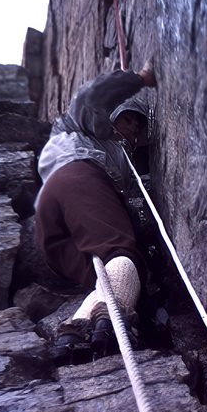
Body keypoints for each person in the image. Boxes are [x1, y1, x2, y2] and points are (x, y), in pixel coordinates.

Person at [34, 60, 157, 350]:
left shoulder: (118, 158)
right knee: (123, 254)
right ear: (111, 117)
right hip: (78, 177)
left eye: (138, 126)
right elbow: (92, 95)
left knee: (105, 271)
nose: (133, 128)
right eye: (129, 119)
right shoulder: (85, 125)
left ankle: (73, 335)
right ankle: (117, 319)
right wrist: (141, 78)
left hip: (50, 220)